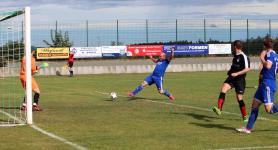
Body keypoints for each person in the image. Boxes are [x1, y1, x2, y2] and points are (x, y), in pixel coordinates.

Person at [236, 37, 278, 134]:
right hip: (264, 83)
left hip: (268, 84)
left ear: (264, 46)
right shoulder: (276, 55)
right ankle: (248, 129)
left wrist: (262, 58)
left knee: (269, 110)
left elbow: (268, 66)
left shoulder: (270, 54)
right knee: (254, 106)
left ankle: (248, 128)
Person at [212, 40, 251, 123]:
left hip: (240, 79)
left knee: (239, 98)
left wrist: (237, 73)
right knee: (223, 90)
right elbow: (234, 67)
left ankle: (244, 116)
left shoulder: (243, 56)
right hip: (232, 78)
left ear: (235, 47)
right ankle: (219, 109)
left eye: (233, 46)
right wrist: (230, 72)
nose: (232, 48)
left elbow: (248, 69)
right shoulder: (235, 56)